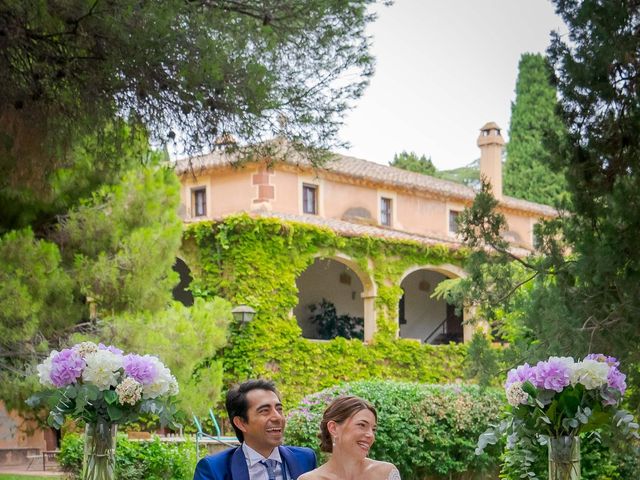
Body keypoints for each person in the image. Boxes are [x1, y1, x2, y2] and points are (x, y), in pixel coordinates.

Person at [193, 379, 317, 480]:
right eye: (264, 411)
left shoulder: (305, 459)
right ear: (241, 423)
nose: (277, 417)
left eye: (279, 409)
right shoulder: (214, 469)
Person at [298, 396, 401, 480]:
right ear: (333, 428)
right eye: (361, 425)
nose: (370, 435)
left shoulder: (385, 473)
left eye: (373, 429)